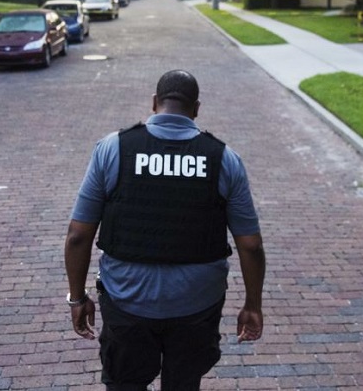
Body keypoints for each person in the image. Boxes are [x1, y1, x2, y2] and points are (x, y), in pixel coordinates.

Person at [64, 69, 265, 391]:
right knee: (184, 384)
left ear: (155, 103)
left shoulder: (113, 148)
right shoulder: (223, 159)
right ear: (196, 109)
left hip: (127, 299)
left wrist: (77, 298)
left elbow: (78, 235)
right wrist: (253, 304)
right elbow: (251, 245)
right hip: (197, 304)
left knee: (125, 383)